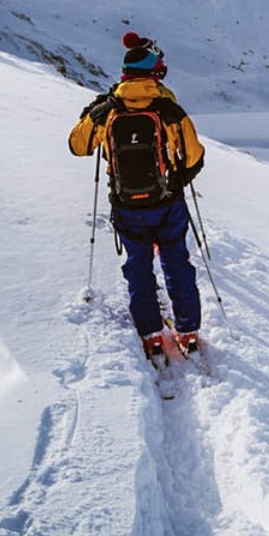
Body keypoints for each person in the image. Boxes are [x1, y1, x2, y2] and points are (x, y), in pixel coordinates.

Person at [69, 32, 207, 366]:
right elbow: (193, 157)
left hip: (127, 206)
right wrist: (175, 182)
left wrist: (92, 112)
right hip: (166, 203)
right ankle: (187, 330)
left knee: (138, 267)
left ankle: (150, 333)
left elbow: (79, 146)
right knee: (177, 262)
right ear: (155, 73)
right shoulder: (167, 109)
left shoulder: (108, 110)